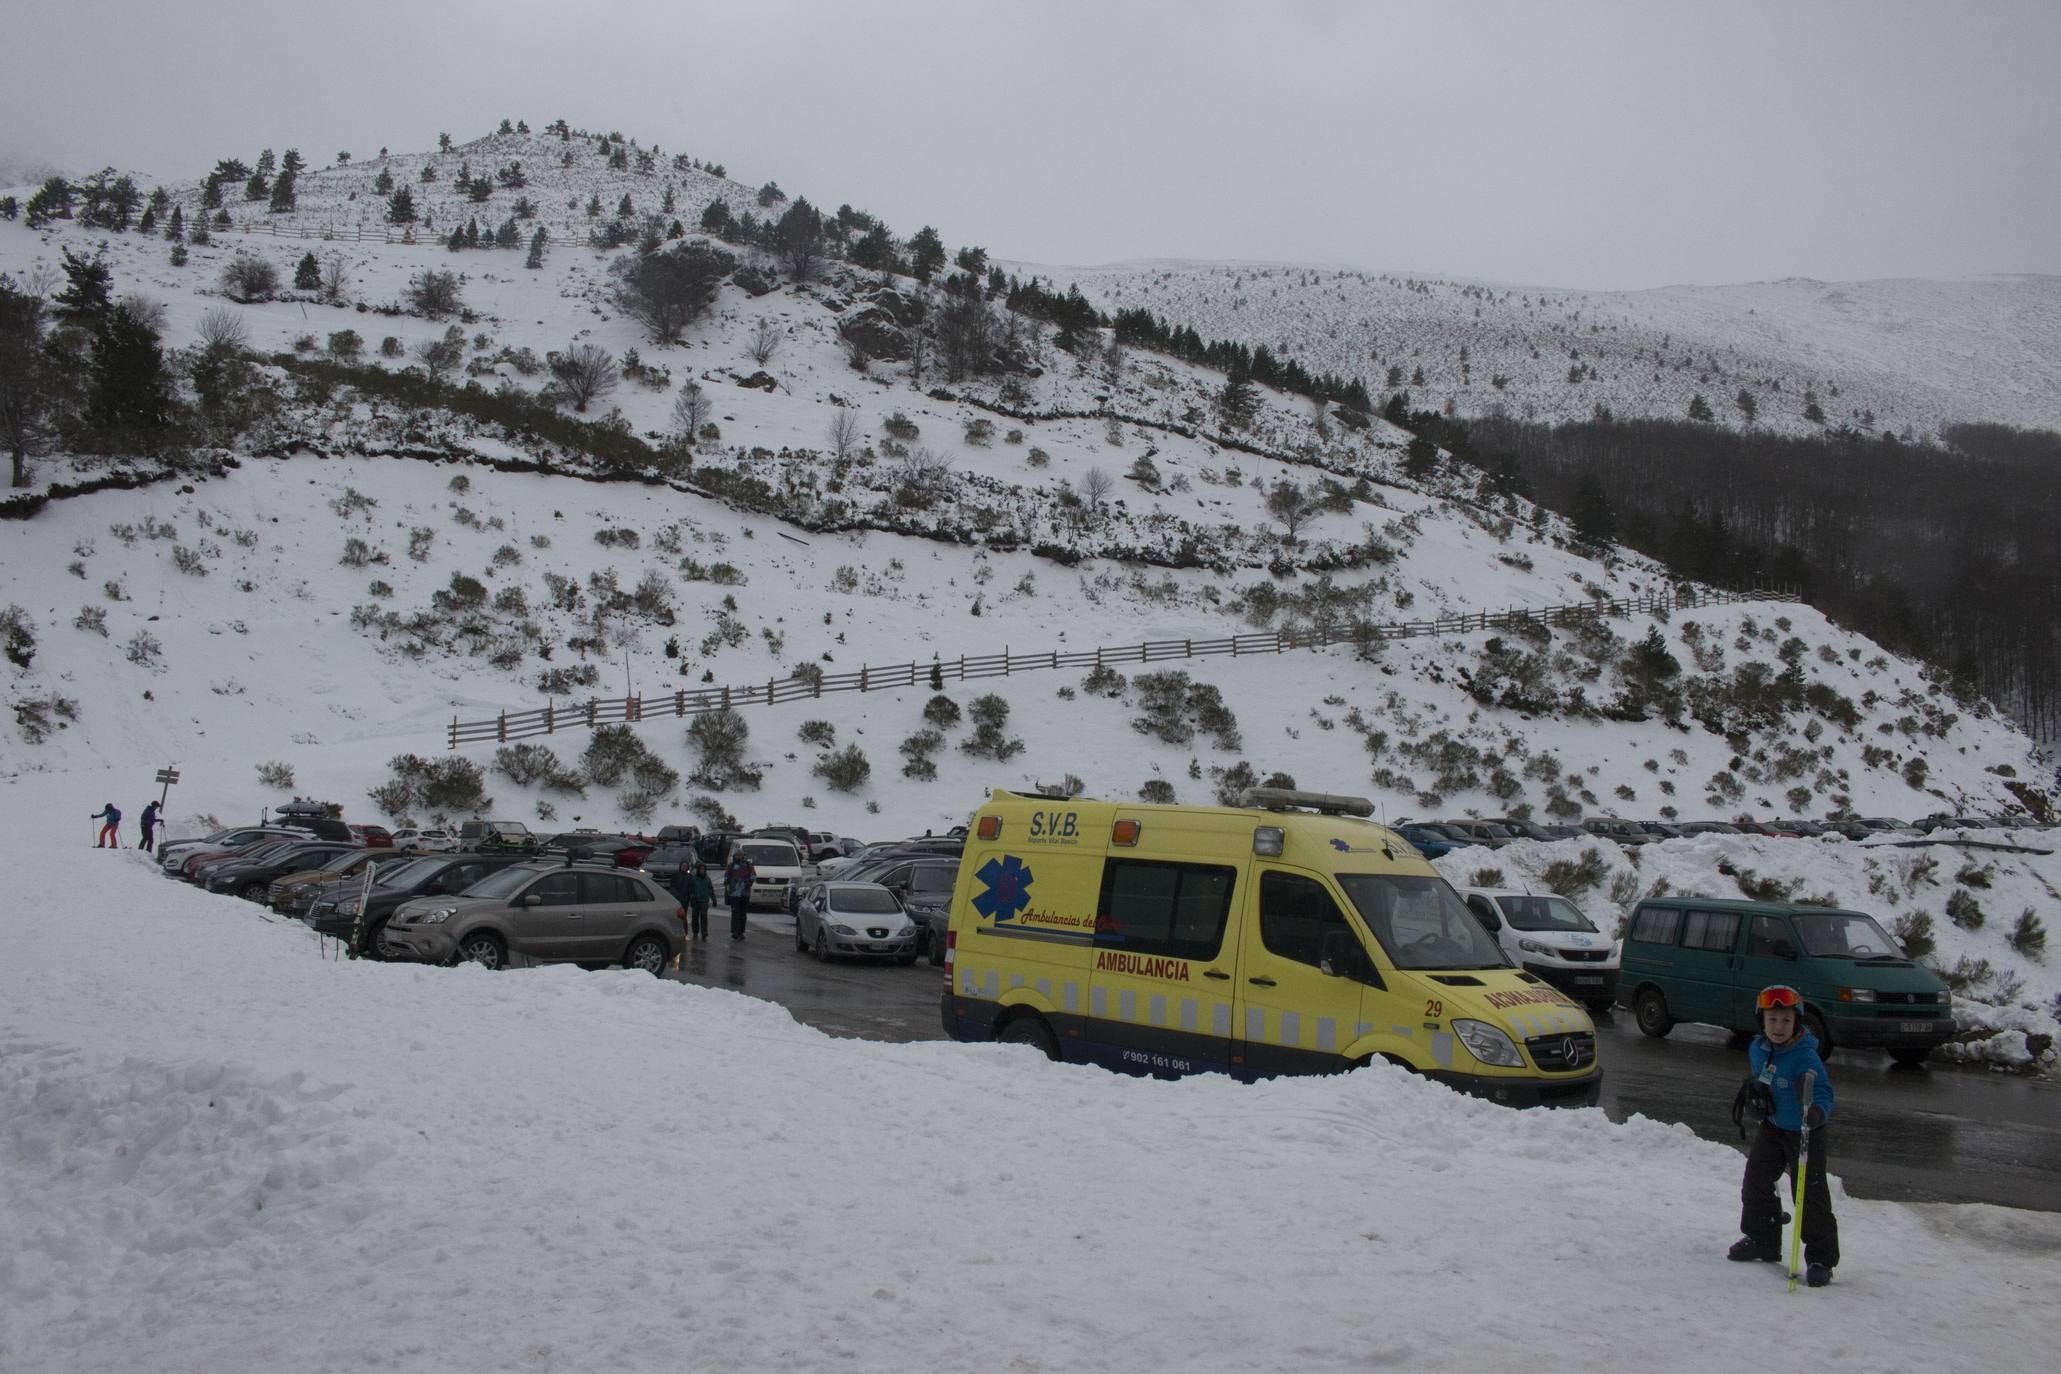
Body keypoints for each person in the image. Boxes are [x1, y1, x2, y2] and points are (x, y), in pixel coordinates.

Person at [1728, 984, 1839, 1286]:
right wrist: (1756, 1099)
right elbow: (1762, 1079)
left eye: (1786, 1021)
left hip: (1805, 1131)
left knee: (1809, 1194)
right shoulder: (1758, 1048)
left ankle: (1820, 1258)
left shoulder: (1806, 1057)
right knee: (1756, 1179)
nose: (1778, 1027)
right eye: (1772, 1020)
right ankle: (1763, 1238)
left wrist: (1818, 1111)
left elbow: (1825, 1093)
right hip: (1774, 1127)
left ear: (1796, 1023)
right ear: (1762, 1022)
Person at [671, 859, 714, 941]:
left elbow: (709, 889)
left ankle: (698, 933)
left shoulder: (691, 877)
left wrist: (713, 899)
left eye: (685, 866)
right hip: (679, 898)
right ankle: (692, 932)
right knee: (690, 917)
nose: (684, 867)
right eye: (682, 866)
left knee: (699, 916)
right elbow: (673, 886)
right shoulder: (677, 875)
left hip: (690, 899)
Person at [723, 851, 757, 940]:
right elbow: (726, 875)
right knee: (735, 913)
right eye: (736, 855)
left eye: (740, 855)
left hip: (745, 893)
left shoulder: (748, 865)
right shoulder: (731, 865)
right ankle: (734, 931)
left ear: (743, 856)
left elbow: (753, 875)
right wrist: (727, 881)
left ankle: (741, 932)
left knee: (743, 914)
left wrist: (749, 882)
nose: (738, 857)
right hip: (734, 894)